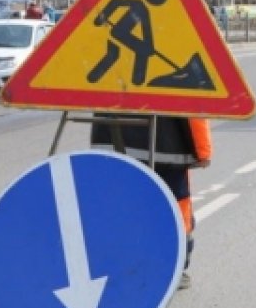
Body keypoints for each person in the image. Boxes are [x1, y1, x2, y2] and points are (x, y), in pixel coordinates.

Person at [90, 116, 212, 290]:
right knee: (174, 210)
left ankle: (118, 266)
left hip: (111, 142)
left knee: (120, 207)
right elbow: (192, 106)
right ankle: (174, 270)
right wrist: (203, 151)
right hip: (167, 150)